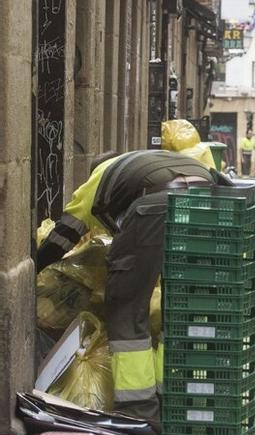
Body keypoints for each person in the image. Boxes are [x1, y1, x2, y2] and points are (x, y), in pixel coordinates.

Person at [36, 127, 226, 431]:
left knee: (126, 309)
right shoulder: (152, 162)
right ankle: (174, 400)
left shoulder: (100, 176)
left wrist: (37, 264)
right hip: (212, 202)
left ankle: (139, 412)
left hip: (158, 206)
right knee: (180, 308)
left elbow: (65, 233)